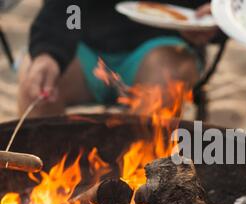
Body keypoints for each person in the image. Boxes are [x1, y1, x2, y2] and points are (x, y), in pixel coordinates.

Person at [18, 0, 217, 117]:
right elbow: (70, 9)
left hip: (164, 43)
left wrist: (216, 15)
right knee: (37, 82)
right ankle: (41, 182)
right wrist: (49, 53)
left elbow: (235, 10)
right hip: (85, 44)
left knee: (167, 76)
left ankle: (142, 180)